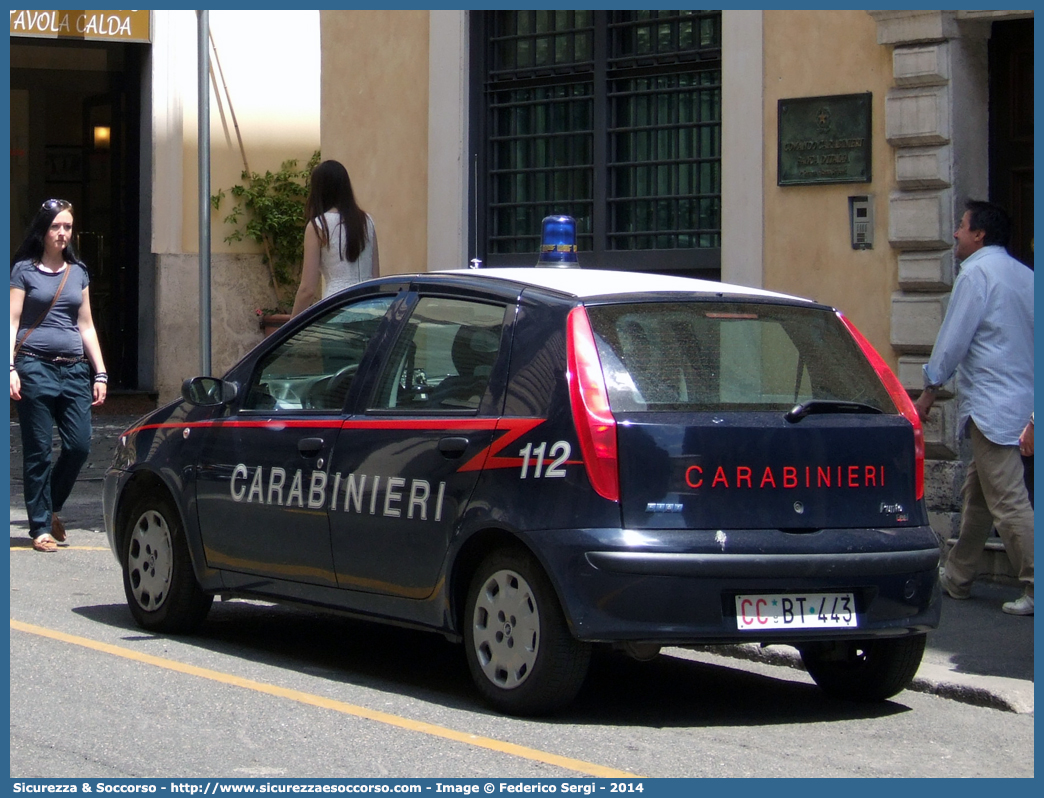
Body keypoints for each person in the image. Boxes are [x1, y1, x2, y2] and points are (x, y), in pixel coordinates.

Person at [914, 200, 1034, 615]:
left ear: (979, 234)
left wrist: (929, 390)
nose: (955, 234)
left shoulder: (977, 274)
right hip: (1019, 404)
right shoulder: (1026, 276)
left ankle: (1036, 586)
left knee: (1008, 501)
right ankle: (959, 576)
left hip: (991, 405)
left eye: (961, 227)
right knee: (978, 498)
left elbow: (953, 339)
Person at [10, 199, 107, 552]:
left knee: (79, 446)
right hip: (34, 365)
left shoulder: (77, 272)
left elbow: (86, 324)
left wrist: (101, 372)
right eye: (56, 226)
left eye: (67, 227)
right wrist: (9, 368)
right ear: (43, 229)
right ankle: (40, 527)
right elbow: (12, 321)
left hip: (74, 369)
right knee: (38, 450)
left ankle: (49, 507)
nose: (63, 233)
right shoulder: (24, 271)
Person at [290, 159, 379, 317]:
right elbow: (375, 277)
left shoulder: (318, 225)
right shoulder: (367, 222)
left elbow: (307, 290)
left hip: (337, 310)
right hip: (371, 310)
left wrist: (290, 327)